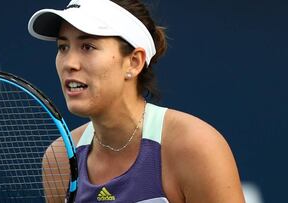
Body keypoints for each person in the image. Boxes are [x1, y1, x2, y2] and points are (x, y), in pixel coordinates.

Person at [28, 0, 245, 202]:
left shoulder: (194, 146)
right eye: (63, 47)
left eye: (88, 47)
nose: (69, 63)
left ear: (134, 62)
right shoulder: (59, 159)